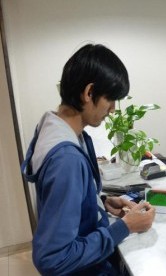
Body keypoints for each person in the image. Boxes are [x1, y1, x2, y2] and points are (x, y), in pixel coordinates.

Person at [21, 44, 156, 275]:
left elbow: (63, 203)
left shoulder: (56, 128)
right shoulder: (67, 160)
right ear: (89, 93)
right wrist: (125, 227)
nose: (113, 110)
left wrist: (99, 202)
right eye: (111, 99)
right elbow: (52, 259)